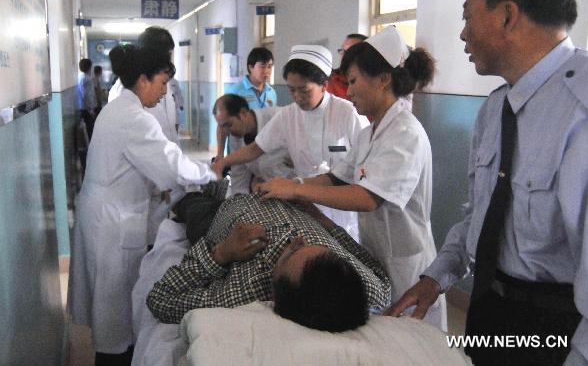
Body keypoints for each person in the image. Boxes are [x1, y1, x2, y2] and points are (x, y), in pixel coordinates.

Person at [385, 0, 588, 364]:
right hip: (491, 312)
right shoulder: (497, 107)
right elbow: (480, 215)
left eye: (468, 17)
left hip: (558, 333)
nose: (463, 35)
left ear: (506, 15)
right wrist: (436, 278)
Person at [256, 26, 446, 331]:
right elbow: (336, 178)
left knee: (412, 345)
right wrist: (291, 187)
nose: (350, 91)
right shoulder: (369, 133)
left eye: (354, 81)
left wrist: (296, 190)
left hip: (405, 265)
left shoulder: (405, 133)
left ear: (384, 79)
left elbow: (367, 198)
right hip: (376, 256)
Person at [68, 44, 217, 364]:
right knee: (114, 313)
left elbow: (149, 165)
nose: (165, 92)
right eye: (162, 83)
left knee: (111, 311)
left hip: (107, 214)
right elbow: (171, 164)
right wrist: (210, 173)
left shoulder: (118, 108)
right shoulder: (135, 118)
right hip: (113, 222)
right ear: (143, 80)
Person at [146, 190, 391, 332]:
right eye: (320, 247)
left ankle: (196, 194)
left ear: (275, 291)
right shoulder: (367, 287)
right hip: (273, 199)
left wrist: (223, 252)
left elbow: (160, 300)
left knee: (193, 202)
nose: (297, 241)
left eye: (291, 253)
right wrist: (320, 218)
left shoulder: (247, 290)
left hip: (218, 218)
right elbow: (379, 275)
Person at [213, 45, 369, 241]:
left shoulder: (346, 113)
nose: (297, 97)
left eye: (304, 90)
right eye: (291, 90)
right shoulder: (288, 115)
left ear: (324, 85)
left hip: (342, 208)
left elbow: (366, 161)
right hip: (306, 204)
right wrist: (223, 161)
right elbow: (255, 148)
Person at [108, 26, 179, 145]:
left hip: (164, 153)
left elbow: (170, 123)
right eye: (166, 55)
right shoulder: (125, 90)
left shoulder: (162, 82)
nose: (168, 61)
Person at [213, 94, 295, 195]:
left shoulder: (279, 118)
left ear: (243, 113)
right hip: (270, 192)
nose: (227, 131)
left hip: (299, 189)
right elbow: (239, 176)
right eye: (223, 127)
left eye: (229, 125)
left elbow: (255, 149)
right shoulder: (236, 137)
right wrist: (238, 203)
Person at [216, 47, 278, 160]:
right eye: (262, 66)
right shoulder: (235, 91)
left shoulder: (271, 93)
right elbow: (222, 125)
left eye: (270, 66)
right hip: (240, 149)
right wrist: (220, 153)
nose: (267, 71)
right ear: (250, 67)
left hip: (264, 151)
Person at [328, 33, 367, 101]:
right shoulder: (329, 81)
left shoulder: (372, 82)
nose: (344, 56)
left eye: (350, 52)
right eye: (342, 51)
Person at [78, 58, 97, 138]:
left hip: (82, 107)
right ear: (90, 67)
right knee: (90, 130)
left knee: (87, 130)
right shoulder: (87, 79)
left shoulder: (80, 77)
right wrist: (91, 110)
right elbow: (87, 95)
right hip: (87, 109)